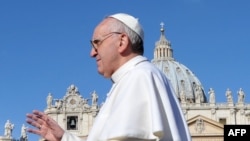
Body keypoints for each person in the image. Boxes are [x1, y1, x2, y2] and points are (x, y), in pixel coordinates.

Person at [26, 13, 191, 141]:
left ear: (122, 41)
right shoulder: (132, 79)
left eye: (97, 43)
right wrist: (65, 137)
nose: (92, 53)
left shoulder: (139, 78)